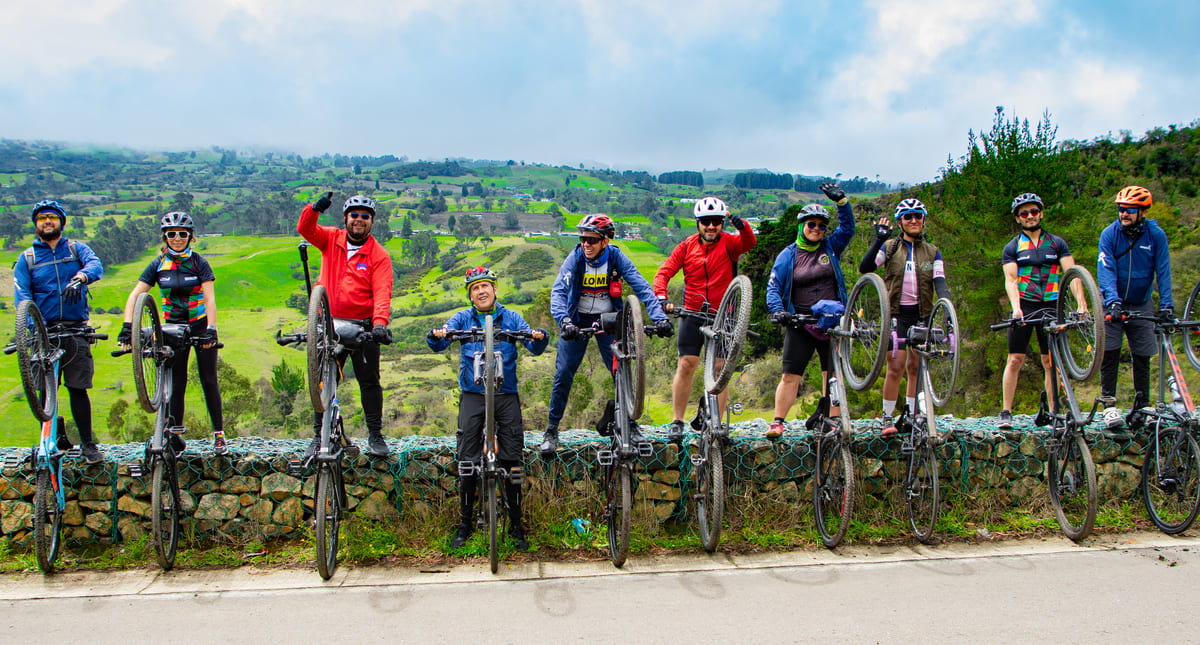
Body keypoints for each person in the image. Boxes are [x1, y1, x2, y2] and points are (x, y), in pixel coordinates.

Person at [427, 267, 548, 550]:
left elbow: (534, 347)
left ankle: (517, 526)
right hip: (473, 394)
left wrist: (539, 337)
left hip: (505, 395)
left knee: (512, 460)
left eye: (486, 286)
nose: (481, 291)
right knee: (467, 460)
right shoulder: (462, 318)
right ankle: (464, 524)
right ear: (470, 295)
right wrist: (436, 334)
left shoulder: (512, 317)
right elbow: (437, 343)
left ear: (495, 290)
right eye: (475, 288)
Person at [538, 214, 673, 455]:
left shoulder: (616, 257)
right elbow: (558, 292)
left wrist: (660, 318)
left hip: (609, 320)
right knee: (564, 373)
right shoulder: (576, 258)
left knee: (621, 370)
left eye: (591, 239)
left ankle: (630, 424)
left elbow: (642, 288)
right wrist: (565, 321)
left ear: (605, 241)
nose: (585, 244)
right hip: (576, 320)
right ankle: (552, 428)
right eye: (582, 239)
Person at [117, 212, 226, 455]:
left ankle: (219, 434)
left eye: (182, 234)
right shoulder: (158, 264)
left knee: (209, 379)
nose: (177, 238)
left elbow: (210, 298)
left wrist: (212, 329)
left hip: (199, 325)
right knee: (177, 382)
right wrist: (127, 325)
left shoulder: (199, 262)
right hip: (171, 327)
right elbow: (135, 295)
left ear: (191, 237)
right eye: (172, 234)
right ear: (165, 237)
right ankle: (175, 435)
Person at [297, 192, 395, 457]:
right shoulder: (331, 238)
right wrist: (314, 209)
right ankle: (319, 436)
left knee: (370, 381)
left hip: (362, 327)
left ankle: (375, 436)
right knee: (322, 381)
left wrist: (379, 325)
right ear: (346, 218)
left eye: (365, 217)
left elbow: (382, 292)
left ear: (372, 222)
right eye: (355, 216)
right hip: (328, 323)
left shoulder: (378, 255)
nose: (359, 220)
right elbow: (305, 229)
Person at [653, 197, 757, 443]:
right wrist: (661, 296)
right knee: (687, 364)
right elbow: (664, 272)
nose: (711, 227)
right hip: (692, 312)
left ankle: (718, 425)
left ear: (722, 223)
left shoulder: (730, 244)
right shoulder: (687, 247)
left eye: (717, 222)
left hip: (723, 314)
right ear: (698, 223)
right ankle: (677, 421)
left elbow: (749, 242)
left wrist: (740, 224)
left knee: (721, 370)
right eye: (706, 222)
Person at [13, 200, 105, 463]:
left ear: (61, 223)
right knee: (43, 390)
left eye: (52, 218)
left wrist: (81, 278)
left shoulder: (76, 249)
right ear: (36, 224)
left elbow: (95, 265)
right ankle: (48, 440)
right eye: (42, 218)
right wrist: (30, 330)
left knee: (78, 389)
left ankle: (88, 444)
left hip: (75, 331)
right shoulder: (27, 258)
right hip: (43, 334)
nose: (47, 222)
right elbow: (23, 298)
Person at [764, 184, 854, 439]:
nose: (816, 230)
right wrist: (779, 310)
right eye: (811, 225)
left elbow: (847, 230)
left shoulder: (830, 247)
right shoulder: (788, 255)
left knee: (832, 376)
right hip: (800, 323)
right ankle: (778, 421)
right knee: (791, 375)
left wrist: (843, 203)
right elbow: (773, 288)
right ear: (802, 226)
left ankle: (832, 421)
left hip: (831, 323)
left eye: (821, 226)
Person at [858, 198, 950, 436]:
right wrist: (878, 239)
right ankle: (887, 417)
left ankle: (911, 415)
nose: (914, 221)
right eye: (908, 217)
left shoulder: (933, 251)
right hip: (896, 314)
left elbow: (941, 284)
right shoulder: (890, 247)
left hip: (923, 314)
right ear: (900, 222)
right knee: (895, 366)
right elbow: (866, 268)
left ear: (923, 220)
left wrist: (947, 309)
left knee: (916, 367)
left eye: (918, 216)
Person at [998, 193, 1081, 428]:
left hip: (1052, 305)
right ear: (1018, 219)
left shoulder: (1056, 243)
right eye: (1024, 213)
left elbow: (1072, 274)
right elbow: (1011, 280)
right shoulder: (1013, 247)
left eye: (1034, 211)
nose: (1030, 216)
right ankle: (1006, 411)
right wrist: (1016, 310)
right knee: (1015, 359)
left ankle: (1054, 411)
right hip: (1025, 306)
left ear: (1041, 213)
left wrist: (1082, 304)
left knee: (1050, 361)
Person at [1097, 185, 1173, 428]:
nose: (1124, 214)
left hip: (1141, 301)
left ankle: (1142, 407)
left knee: (1142, 355)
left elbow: (1163, 270)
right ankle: (1109, 406)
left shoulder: (1155, 235)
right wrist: (1113, 301)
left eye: (1129, 209)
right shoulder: (1109, 234)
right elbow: (1105, 269)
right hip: (1113, 301)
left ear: (1142, 211)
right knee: (1109, 352)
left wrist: (1167, 306)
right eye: (1121, 209)